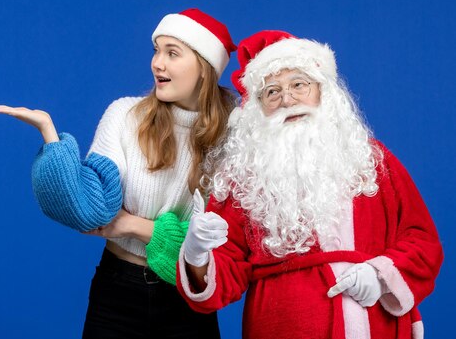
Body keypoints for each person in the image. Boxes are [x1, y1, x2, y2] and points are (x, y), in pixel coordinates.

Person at [0, 9, 237, 338]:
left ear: (205, 68)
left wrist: (133, 225)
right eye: (156, 50)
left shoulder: (236, 135)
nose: (157, 63)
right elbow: (89, 211)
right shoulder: (124, 116)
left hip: (189, 298)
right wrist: (51, 137)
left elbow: (222, 244)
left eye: (172, 53)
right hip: (119, 290)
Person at [177, 30, 443, 339]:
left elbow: (422, 240)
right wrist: (198, 255)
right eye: (272, 92)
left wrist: (380, 274)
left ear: (323, 90)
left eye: (299, 85)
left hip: (377, 324)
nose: (287, 99)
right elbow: (225, 273)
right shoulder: (243, 177)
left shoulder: (371, 159)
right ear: (258, 108)